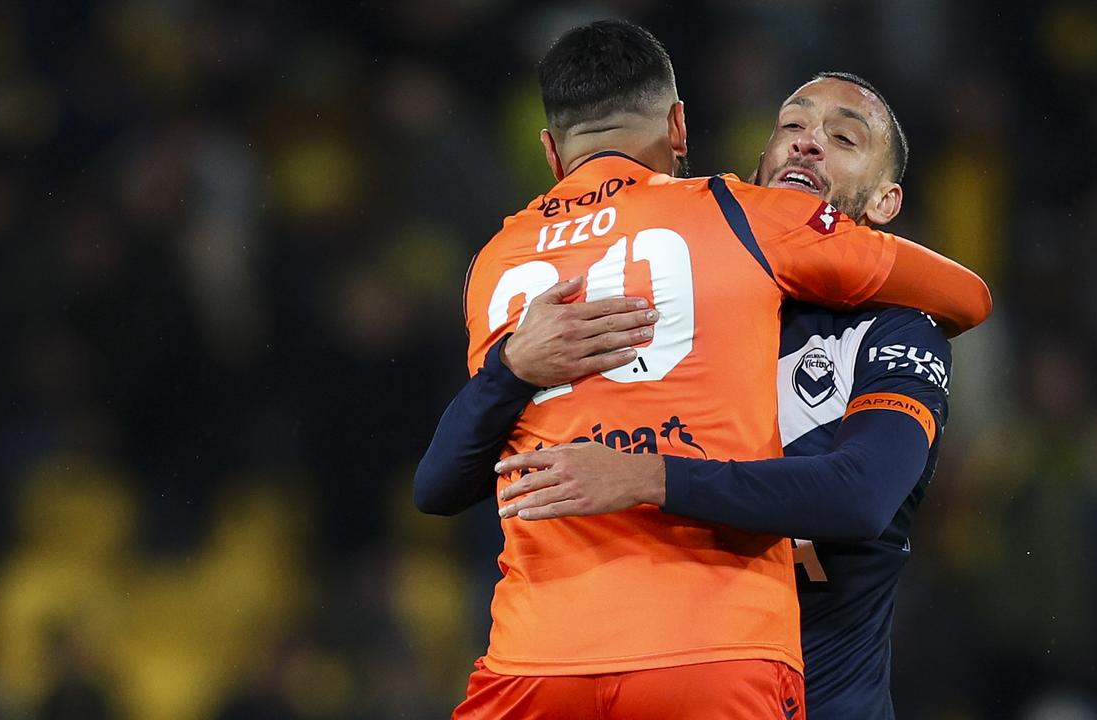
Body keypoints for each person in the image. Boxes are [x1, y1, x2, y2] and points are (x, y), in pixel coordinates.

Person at [419, 20, 990, 719]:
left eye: (845, 139)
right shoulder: (684, 288)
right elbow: (445, 481)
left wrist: (647, 476)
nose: (809, 140)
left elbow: (860, 497)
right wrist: (511, 367)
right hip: (686, 669)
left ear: (883, 205)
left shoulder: (898, 332)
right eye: (792, 125)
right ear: (755, 172)